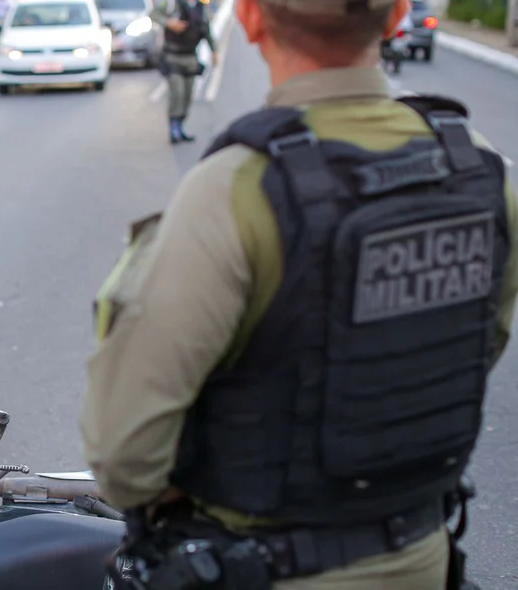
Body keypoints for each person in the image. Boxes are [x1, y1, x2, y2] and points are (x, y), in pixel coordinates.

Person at [80, 0, 517, 587]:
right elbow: (471, 355)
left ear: (252, 19)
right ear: (396, 18)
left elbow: (125, 460)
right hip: (427, 555)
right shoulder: (482, 174)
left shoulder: (233, 190)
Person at [149, 0, 216, 144]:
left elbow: (206, 29)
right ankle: (174, 127)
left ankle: (180, 125)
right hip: (173, 57)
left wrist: (214, 50)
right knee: (177, 93)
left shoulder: (200, 6)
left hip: (190, 58)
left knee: (187, 95)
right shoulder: (171, 4)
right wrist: (169, 23)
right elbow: (153, 14)